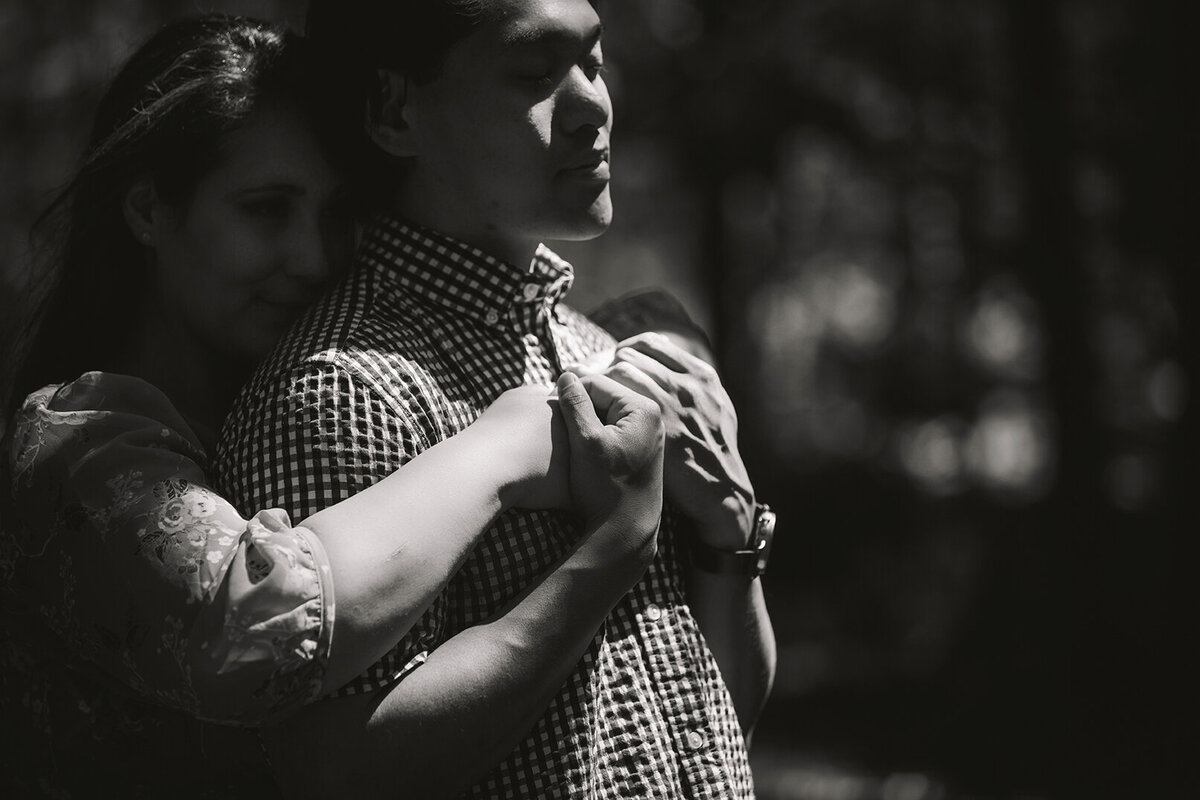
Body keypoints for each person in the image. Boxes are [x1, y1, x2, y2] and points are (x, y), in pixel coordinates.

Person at [0, 14, 664, 797]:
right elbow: (248, 626)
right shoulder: (76, 450)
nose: (314, 256)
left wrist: (662, 338)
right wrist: (508, 451)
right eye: (266, 209)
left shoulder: (269, 394)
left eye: (336, 214)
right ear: (148, 209)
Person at [216, 0, 777, 796]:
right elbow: (336, 772)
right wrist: (614, 551)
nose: (592, 104)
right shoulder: (342, 392)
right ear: (394, 110)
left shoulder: (593, 353)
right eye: (534, 73)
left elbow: (716, 727)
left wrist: (731, 542)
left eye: (594, 59)